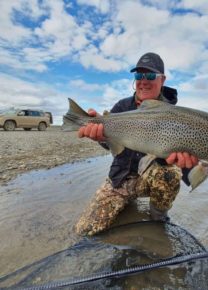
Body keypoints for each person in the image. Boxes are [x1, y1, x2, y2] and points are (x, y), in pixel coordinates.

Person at [75, 52, 198, 236]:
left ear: (162, 80)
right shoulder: (122, 107)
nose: (144, 81)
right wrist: (101, 137)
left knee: (171, 173)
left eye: (149, 75)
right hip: (120, 178)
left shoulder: (175, 116)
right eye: (139, 75)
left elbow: (184, 162)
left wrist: (188, 164)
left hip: (151, 180)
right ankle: (128, 202)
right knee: (85, 231)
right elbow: (112, 147)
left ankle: (157, 219)